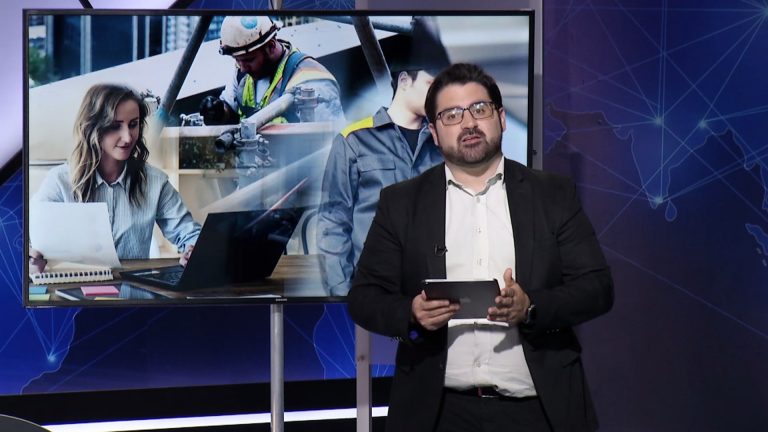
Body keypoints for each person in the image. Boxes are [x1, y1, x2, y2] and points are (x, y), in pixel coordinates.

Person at [348, 63, 614, 432]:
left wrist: (530, 306)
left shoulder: (552, 194)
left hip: (537, 410)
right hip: (438, 413)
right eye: (452, 115)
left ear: (501, 118)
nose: (468, 123)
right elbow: (363, 297)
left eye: (479, 109)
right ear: (434, 133)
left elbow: (597, 289)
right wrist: (412, 313)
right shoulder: (401, 203)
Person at [29, 83, 201, 274]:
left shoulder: (155, 182)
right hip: (73, 289)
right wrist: (33, 256)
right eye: (115, 126)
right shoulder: (59, 182)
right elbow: (29, 240)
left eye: (133, 125)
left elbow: (190, 234)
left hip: (132, 291)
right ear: (93, 127)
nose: (128, 137)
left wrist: (193, 250)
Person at [316, 69, 444, 296]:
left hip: (432, 296)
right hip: (374, 292)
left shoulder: (443, 145)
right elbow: (333, 221)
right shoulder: (354, 140)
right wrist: (342, 292)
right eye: (430, 84)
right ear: (404, 81)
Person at [199, 15, 344, 126]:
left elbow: (329, 142)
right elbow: (231, 109)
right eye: (237, 60)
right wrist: (218, 112)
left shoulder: (310, 79)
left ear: (271, 46)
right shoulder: (241, 71)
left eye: (249, 60)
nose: (242, 67)